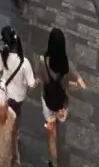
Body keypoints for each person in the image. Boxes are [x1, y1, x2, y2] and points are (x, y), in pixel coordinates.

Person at [39, 27, 85, 166]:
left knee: (52, 138)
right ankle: (57, 121)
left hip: (48, 103)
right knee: (58, 121)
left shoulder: (42, 61)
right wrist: (71, 84)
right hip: (62, 105)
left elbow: (40, 79)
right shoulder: (68, 66)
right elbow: (82, 84)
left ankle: (54, 163)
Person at [0, 25, 36, 123]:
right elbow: (32, 84)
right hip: (17, 97)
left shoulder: (3, 55)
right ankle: (14, 133)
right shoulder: (25, 63)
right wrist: (38, 79)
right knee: (15, 116)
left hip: (3, 93)